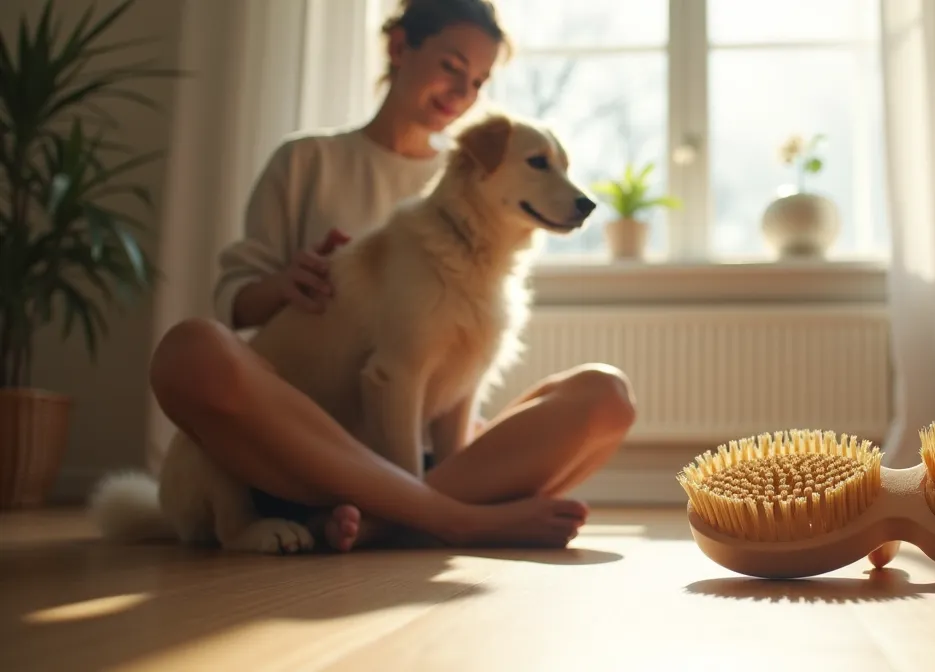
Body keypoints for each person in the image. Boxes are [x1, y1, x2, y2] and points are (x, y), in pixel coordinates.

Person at [150, 0, 636, 552]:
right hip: (294, 442)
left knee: (607, 397)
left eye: (478, 80)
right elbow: (233, 303)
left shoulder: (478, 177)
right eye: (452, 66)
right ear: (400, 47)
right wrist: (285, 283)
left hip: (417, 455)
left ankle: (397, 517)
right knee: (191, 350)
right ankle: (446, 518)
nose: (462, 92)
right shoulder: (309, 160)